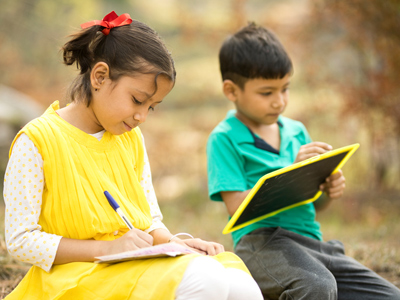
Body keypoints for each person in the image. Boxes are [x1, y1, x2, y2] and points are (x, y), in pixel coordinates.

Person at [2, 12, 263, 300]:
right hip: (76, 276)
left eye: (151, 107)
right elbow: (20, 240)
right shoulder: (36, 141)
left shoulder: (130, 138)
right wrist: (104, 249)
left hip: (131, 266)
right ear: (99, 76)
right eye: (137, 100)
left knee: (240, 285)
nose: (142, 116)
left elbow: (148, 218)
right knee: (206, 280)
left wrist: (176, 244)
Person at [206, 22, 400, 300]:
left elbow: (312, 206)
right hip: (264, 244)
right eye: (267, 92)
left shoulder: (296, 131)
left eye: (285, 89)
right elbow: (237, 207)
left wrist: (326, 190)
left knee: (387, 295)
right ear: (231, 91)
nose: (279, 101)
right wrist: (290, 173)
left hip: (313, 244)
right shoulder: (224, 138)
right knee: (317, 286)